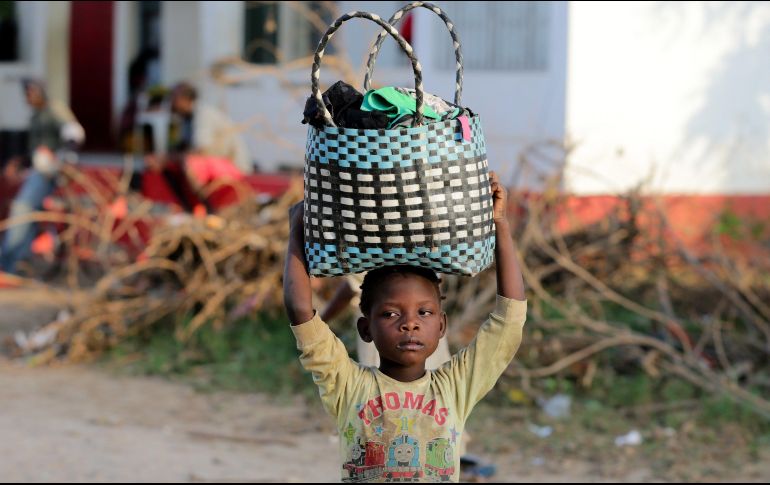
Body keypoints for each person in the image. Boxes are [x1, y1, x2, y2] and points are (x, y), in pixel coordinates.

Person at [283, 171, 526, 482]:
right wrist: (295, 231)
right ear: (365, 329)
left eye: (424, 313)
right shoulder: (348, 385)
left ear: (442, 326)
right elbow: (301, 310)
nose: (410, 323)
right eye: (390, 314)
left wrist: (500, 225)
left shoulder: (454, 387)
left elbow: (510, 319)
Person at [0, 79, 83, 274]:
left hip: (51, 172)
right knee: (29, 216)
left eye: (31, 93)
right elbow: (36, 151)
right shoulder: (37, 116)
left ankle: (6, 263)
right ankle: (17, 262)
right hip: (39, 169)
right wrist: (19, 163)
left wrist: (62, 159)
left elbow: (75, 135)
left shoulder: (55, 110)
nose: (28, 98)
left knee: (23, 209)